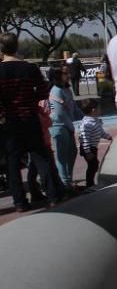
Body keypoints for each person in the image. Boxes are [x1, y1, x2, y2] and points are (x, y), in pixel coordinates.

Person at [0, 33, 61, 212]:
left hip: (11, 122)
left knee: (12, 163)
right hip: (31, 119)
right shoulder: (30, 68)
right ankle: (52, 196)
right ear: (16, 46)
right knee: (40, 157)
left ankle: (20, 202)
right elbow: (42, 92)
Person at [48, 66, 83, 191]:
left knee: (72, 153)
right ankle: (64, 183)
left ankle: (68, 181)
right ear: (58, 75)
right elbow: (59, 114)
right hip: (59, 127)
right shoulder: (56, 91)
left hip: (67, 127)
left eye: (68, 72)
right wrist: (71, 126)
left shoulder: (66, 89)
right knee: (62, 157)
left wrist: (86, 117)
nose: (68, 74)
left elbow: (73, 108)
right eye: (65, 73)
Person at [78, 98, 111, 190]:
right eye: (99, 108)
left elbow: (100, 132)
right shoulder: (87, 124)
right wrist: (88, 152)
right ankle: (89, 184)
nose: (100, 110)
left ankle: (90, 183)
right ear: (93, 110)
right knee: (93, 166)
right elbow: (84, 139)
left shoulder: (95, 121)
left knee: (94, 165)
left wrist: (108, 136)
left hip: (93, 148)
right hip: (88, 148)